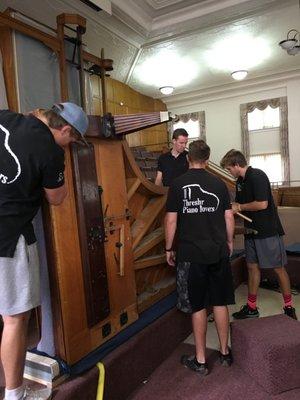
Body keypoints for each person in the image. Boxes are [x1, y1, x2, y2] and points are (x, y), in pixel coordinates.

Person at [0, 102, 89, 400]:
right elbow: (56, 197)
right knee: (14, 320)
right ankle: (15, 394)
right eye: (73, 139)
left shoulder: (5, 118)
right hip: (8, 236)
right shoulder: (51, 151)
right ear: (65, 129)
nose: (71, 144)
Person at [165, 139, 235, 376]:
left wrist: (168, 248)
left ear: (188, 158)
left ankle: (201, 360)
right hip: (217, 251)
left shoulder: (177, 184)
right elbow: (228, 217)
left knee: (198, 306)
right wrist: (229, 241)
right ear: (207, 160)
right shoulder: (219, 184)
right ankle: (225, 353)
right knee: (220, 302)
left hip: (191, 253)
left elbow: (171, 220)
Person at [220, 149, 297, 320]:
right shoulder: (240, 181)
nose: (229, 172)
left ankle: (289, 306)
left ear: (237, 165)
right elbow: (241, 203)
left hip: (267, 231)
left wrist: (239, 207)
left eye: (229, 169)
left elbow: (262, 204)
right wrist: (232, 206)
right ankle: (252, 307)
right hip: (251, 231)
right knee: (252, 267)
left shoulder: (257, 176)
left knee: (278, 268)